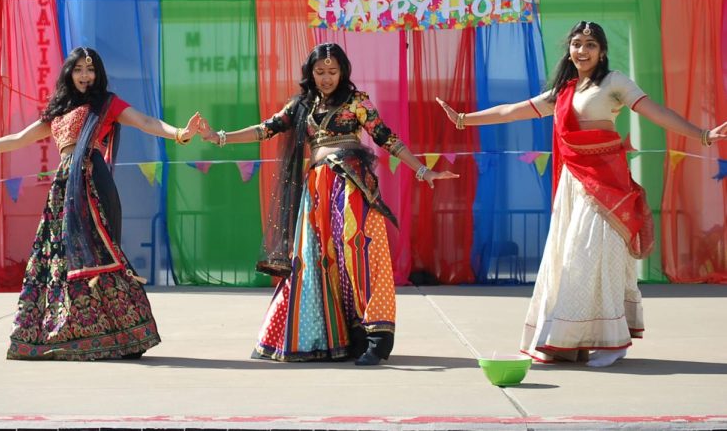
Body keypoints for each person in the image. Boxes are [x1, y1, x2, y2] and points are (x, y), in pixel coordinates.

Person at [437, 21, 727, 367]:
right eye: (576, 44)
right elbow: (511, 110)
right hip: (575, 186)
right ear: (569, 50)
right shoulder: (563, 91)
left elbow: (656, 112)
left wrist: (703, 134)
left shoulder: (614, 82)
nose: (582, 50)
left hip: (607, 185)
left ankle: (612, 340)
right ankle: (569, 340)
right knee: (570, 261)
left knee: (595, 256)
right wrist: (463, 120)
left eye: (590, 44)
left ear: (601, 50)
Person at [199, 42, 458, 365]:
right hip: (316, 190)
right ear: (310, 73)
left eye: (332, 72)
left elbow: (387, 138)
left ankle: (376, 339)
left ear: (343, 72)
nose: (326, 78)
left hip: (351, 186)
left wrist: (422, 169)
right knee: (316, 260)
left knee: (361, 255)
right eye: (319, 72)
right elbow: (265, 129)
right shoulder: (301, 106)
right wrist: (218, 137)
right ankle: (336, 338)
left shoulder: (357, 102)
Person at [0, 46, 203, 360]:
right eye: (79, 69)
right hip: (64, 189)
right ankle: (71, 334)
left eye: (90, 70)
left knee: (101, 256)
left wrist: (180, 134)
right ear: (69, 73)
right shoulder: (58, 111)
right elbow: (17, 139)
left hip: (93, 183)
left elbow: (145, 121)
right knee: (60, 261)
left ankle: (121, 334)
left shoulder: (105, 104)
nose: (85, 76)